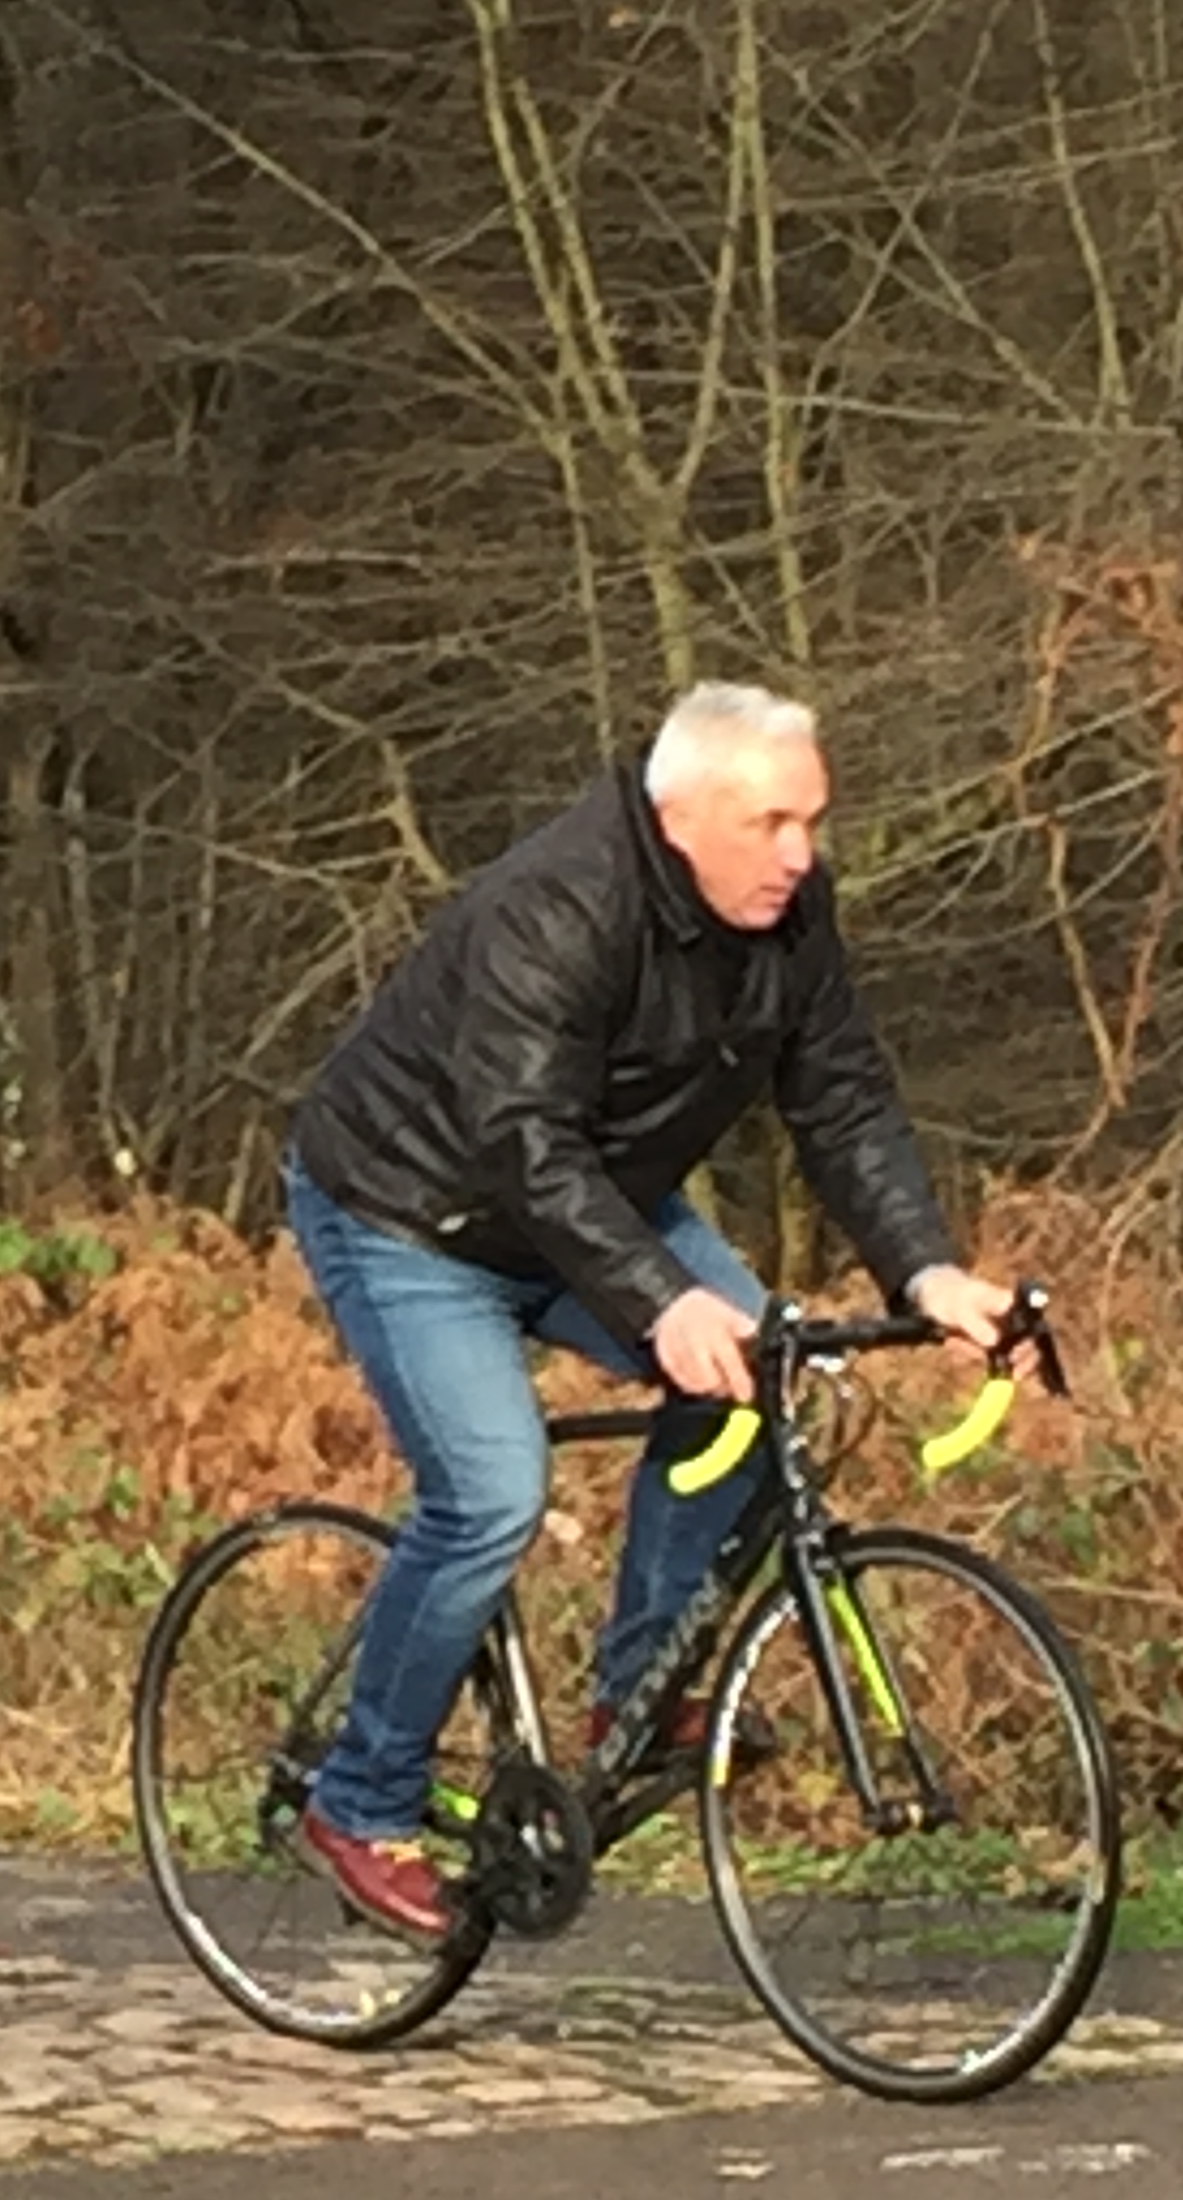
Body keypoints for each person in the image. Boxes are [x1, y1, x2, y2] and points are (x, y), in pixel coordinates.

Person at [279, 682, 1012, 1944]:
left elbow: (841, 1099)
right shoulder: (557, 904)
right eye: (771, 823)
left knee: (757, 1367)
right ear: (680, 817)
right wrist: (656, 1297)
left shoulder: (788, 913)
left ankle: (639, 1691)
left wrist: (926, 1275)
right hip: (412, 1211)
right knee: (492, 1494)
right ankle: (361, 1799)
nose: (799, 855)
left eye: (812, 823)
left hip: (591, 1198)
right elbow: (519, 1135)